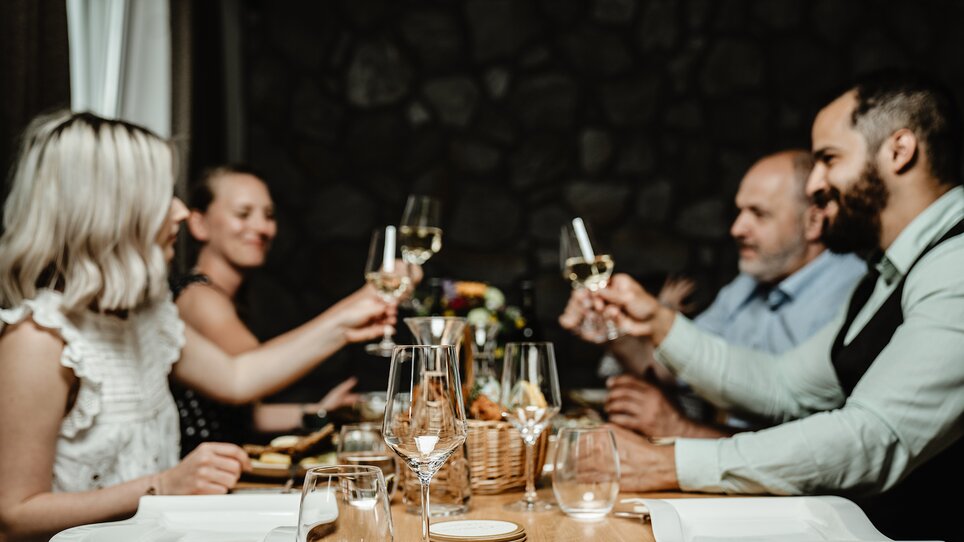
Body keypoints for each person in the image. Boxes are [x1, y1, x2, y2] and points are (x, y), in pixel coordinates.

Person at [562, 71, 964, 540]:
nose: (816, 184)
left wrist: (668, 461)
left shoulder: (955, 265)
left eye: (829, 159)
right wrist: (658, 321)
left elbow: (871, 440)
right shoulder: (887, 275)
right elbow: (782, 385)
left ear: (899, 150)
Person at [0, 111, 394, 540]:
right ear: (109, 210)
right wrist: (163, 486)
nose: (183, 212)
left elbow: (238, 378)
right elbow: (13, 516)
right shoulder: (38, 340)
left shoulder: (146, 317)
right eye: (162, 196)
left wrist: (346, 322)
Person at [602, 150, 865, 438]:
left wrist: (680, 428)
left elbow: (814, 444)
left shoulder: (854, 292)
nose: (737, 228)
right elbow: (671, 365)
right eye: (740, 211)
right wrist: (611, 323)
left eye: (759, 214)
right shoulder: (747, 284)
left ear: (813, 222)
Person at [171, 165, 369, 454]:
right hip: (200, 482)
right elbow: (249, 374)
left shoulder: (222, 295)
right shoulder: (199, 296)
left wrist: (318, 412)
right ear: (199, 224)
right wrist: (362, 303)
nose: (263, 228)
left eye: (268, 215)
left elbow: (243, 411)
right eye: (243, 214)